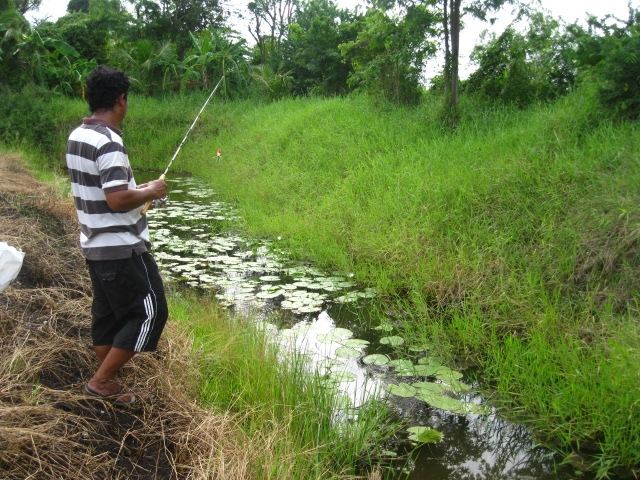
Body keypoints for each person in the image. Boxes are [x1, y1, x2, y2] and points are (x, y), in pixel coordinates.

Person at [66, 65, 168, 404]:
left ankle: (108, 377)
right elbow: (117, 198)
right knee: (151, 312)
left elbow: (106, 190)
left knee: (108, 314)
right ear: (120, 100)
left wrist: (139, 189)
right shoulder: (110, 142)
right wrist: (151, 191)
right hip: (122, 249)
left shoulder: (78, 136)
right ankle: (103, 380)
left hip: (94, 245)